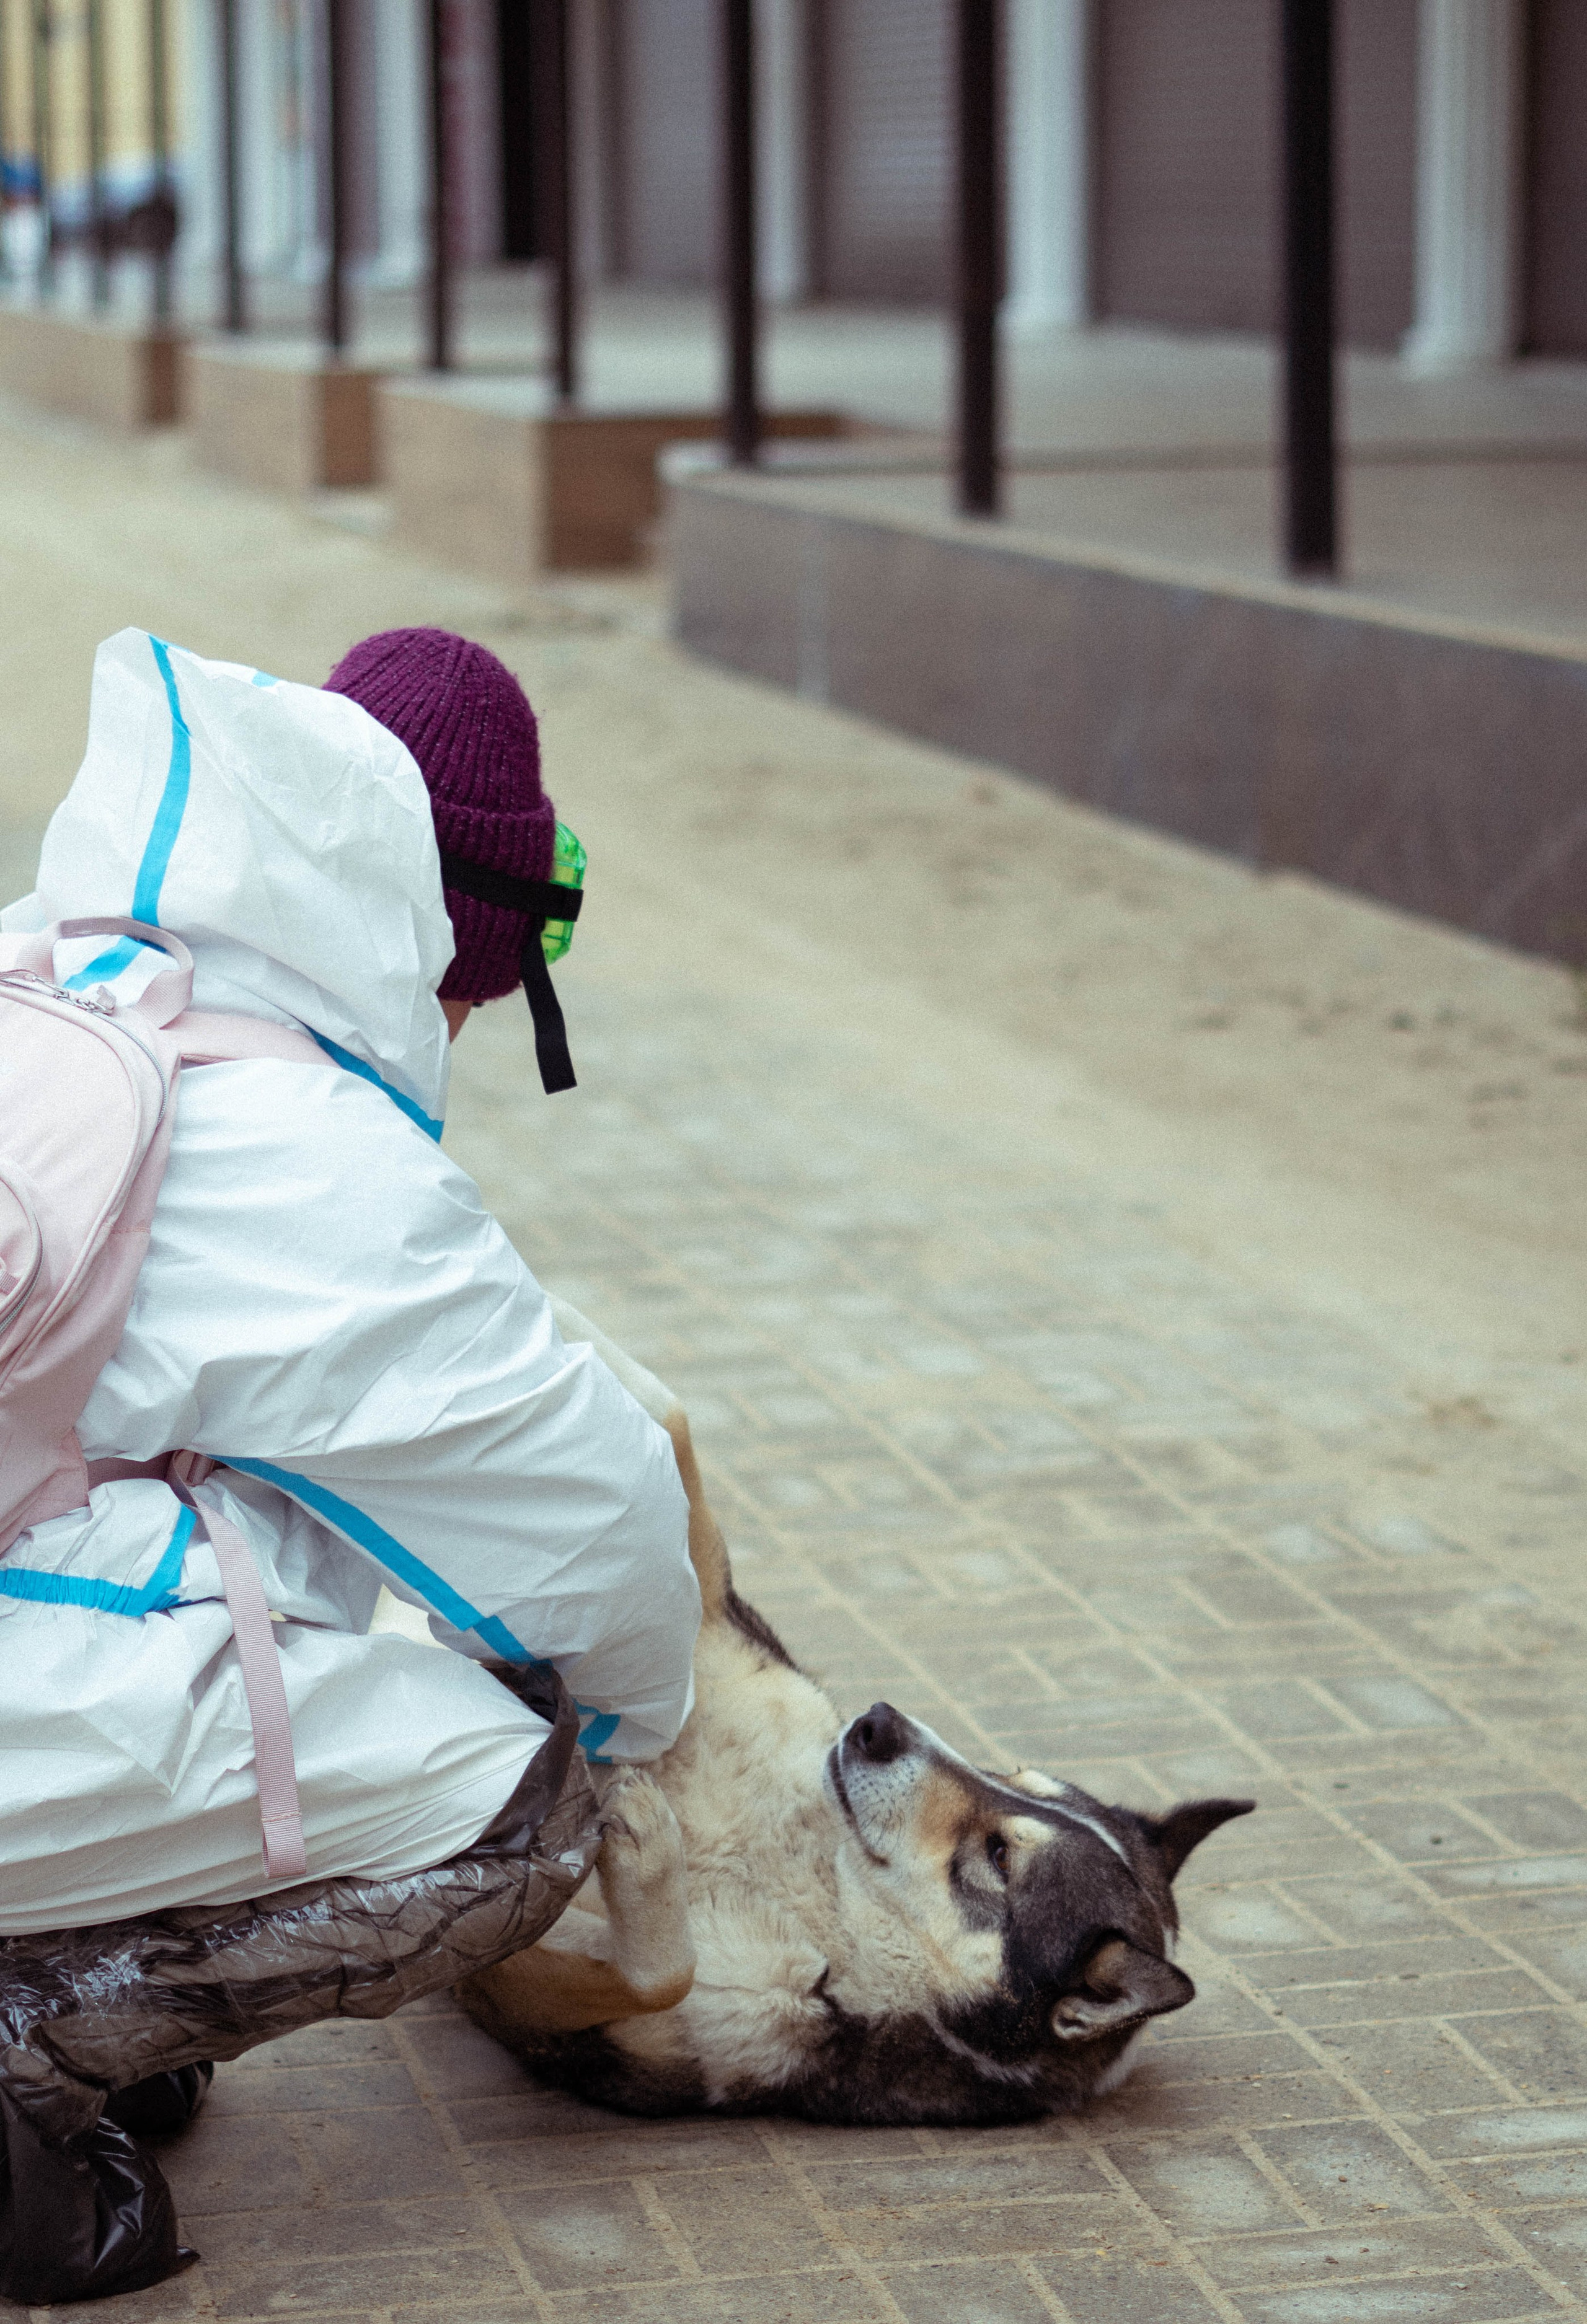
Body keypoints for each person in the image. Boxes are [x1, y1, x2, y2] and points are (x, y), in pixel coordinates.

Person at [0, 625, 700, 1935]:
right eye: (473, 999)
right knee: (506, 1785)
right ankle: (38, 2069)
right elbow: (593, 1546)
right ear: (437, 950)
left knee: (259, 1525)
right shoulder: (311, 1156)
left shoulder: (42, 971)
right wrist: (640, 1726)